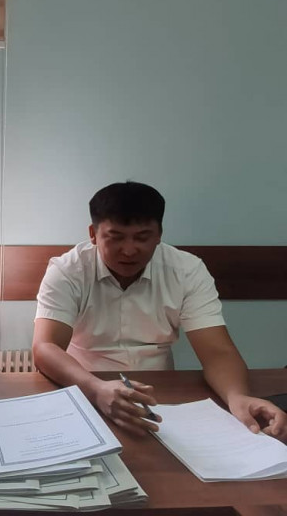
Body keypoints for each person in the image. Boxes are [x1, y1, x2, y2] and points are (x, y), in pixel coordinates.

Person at [32, 181, 286, 441]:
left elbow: (216, 351)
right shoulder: (67, 271)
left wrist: (238, 397)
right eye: (115, 237)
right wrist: (95, 388)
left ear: (159, 234)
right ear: (93, 234)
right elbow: (45, 347)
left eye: (142, 237)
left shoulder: (187, 270)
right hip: (84, 383)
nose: (129, 250)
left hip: (159, 391)